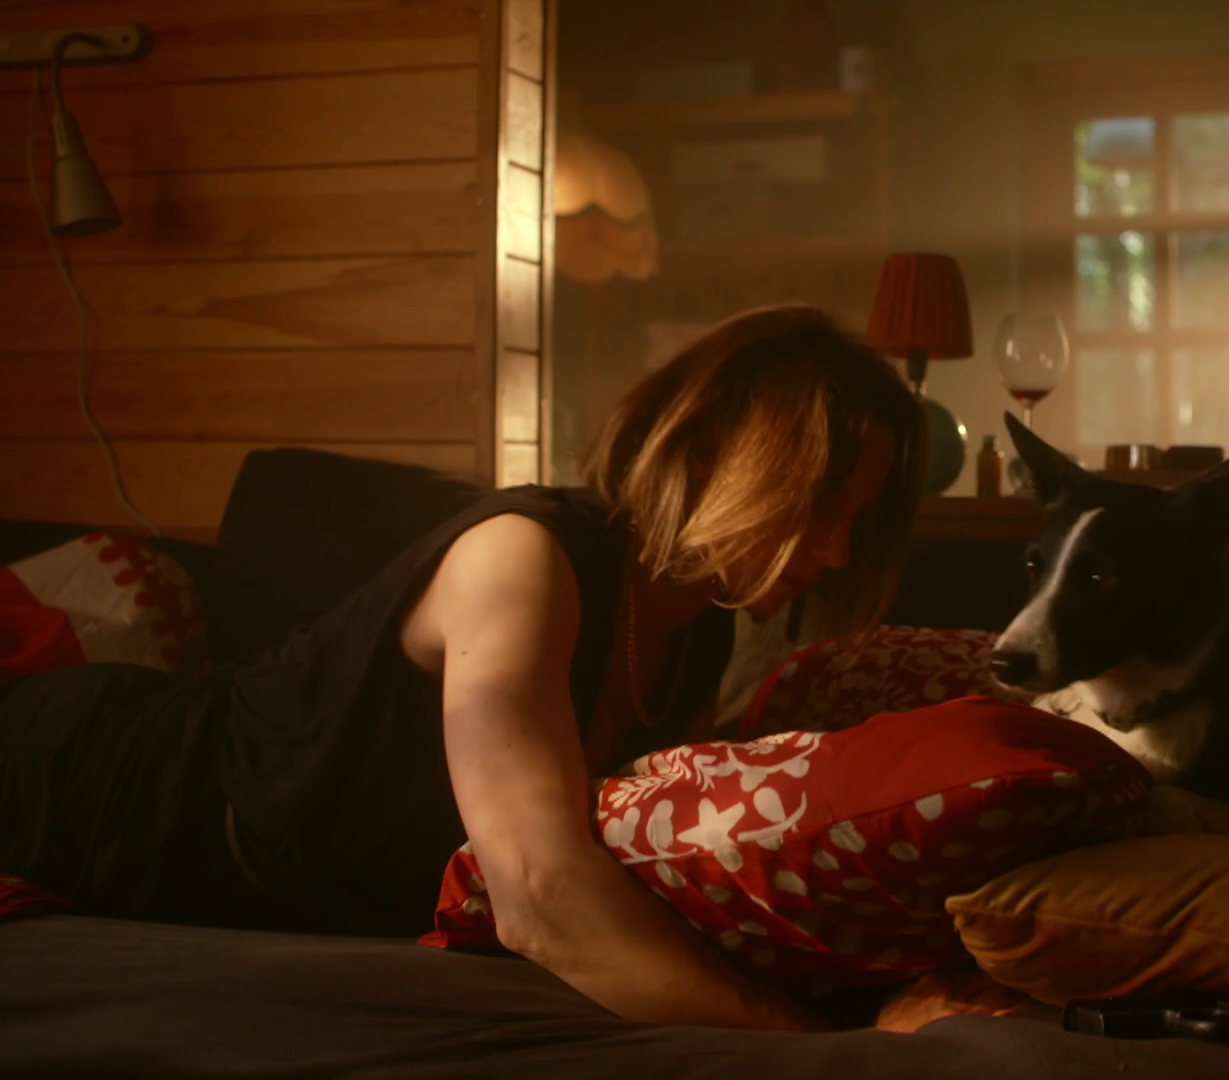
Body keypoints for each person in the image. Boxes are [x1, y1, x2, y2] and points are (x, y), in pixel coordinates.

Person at [0, 305, 928, 1032]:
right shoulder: (522, 557)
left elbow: (661, 878)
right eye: (818, 503)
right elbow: (543, 902)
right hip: (96, 776)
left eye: (857, 518)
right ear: (716, 450)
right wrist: (826, 1044)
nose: (839, 552)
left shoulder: (698, 633)